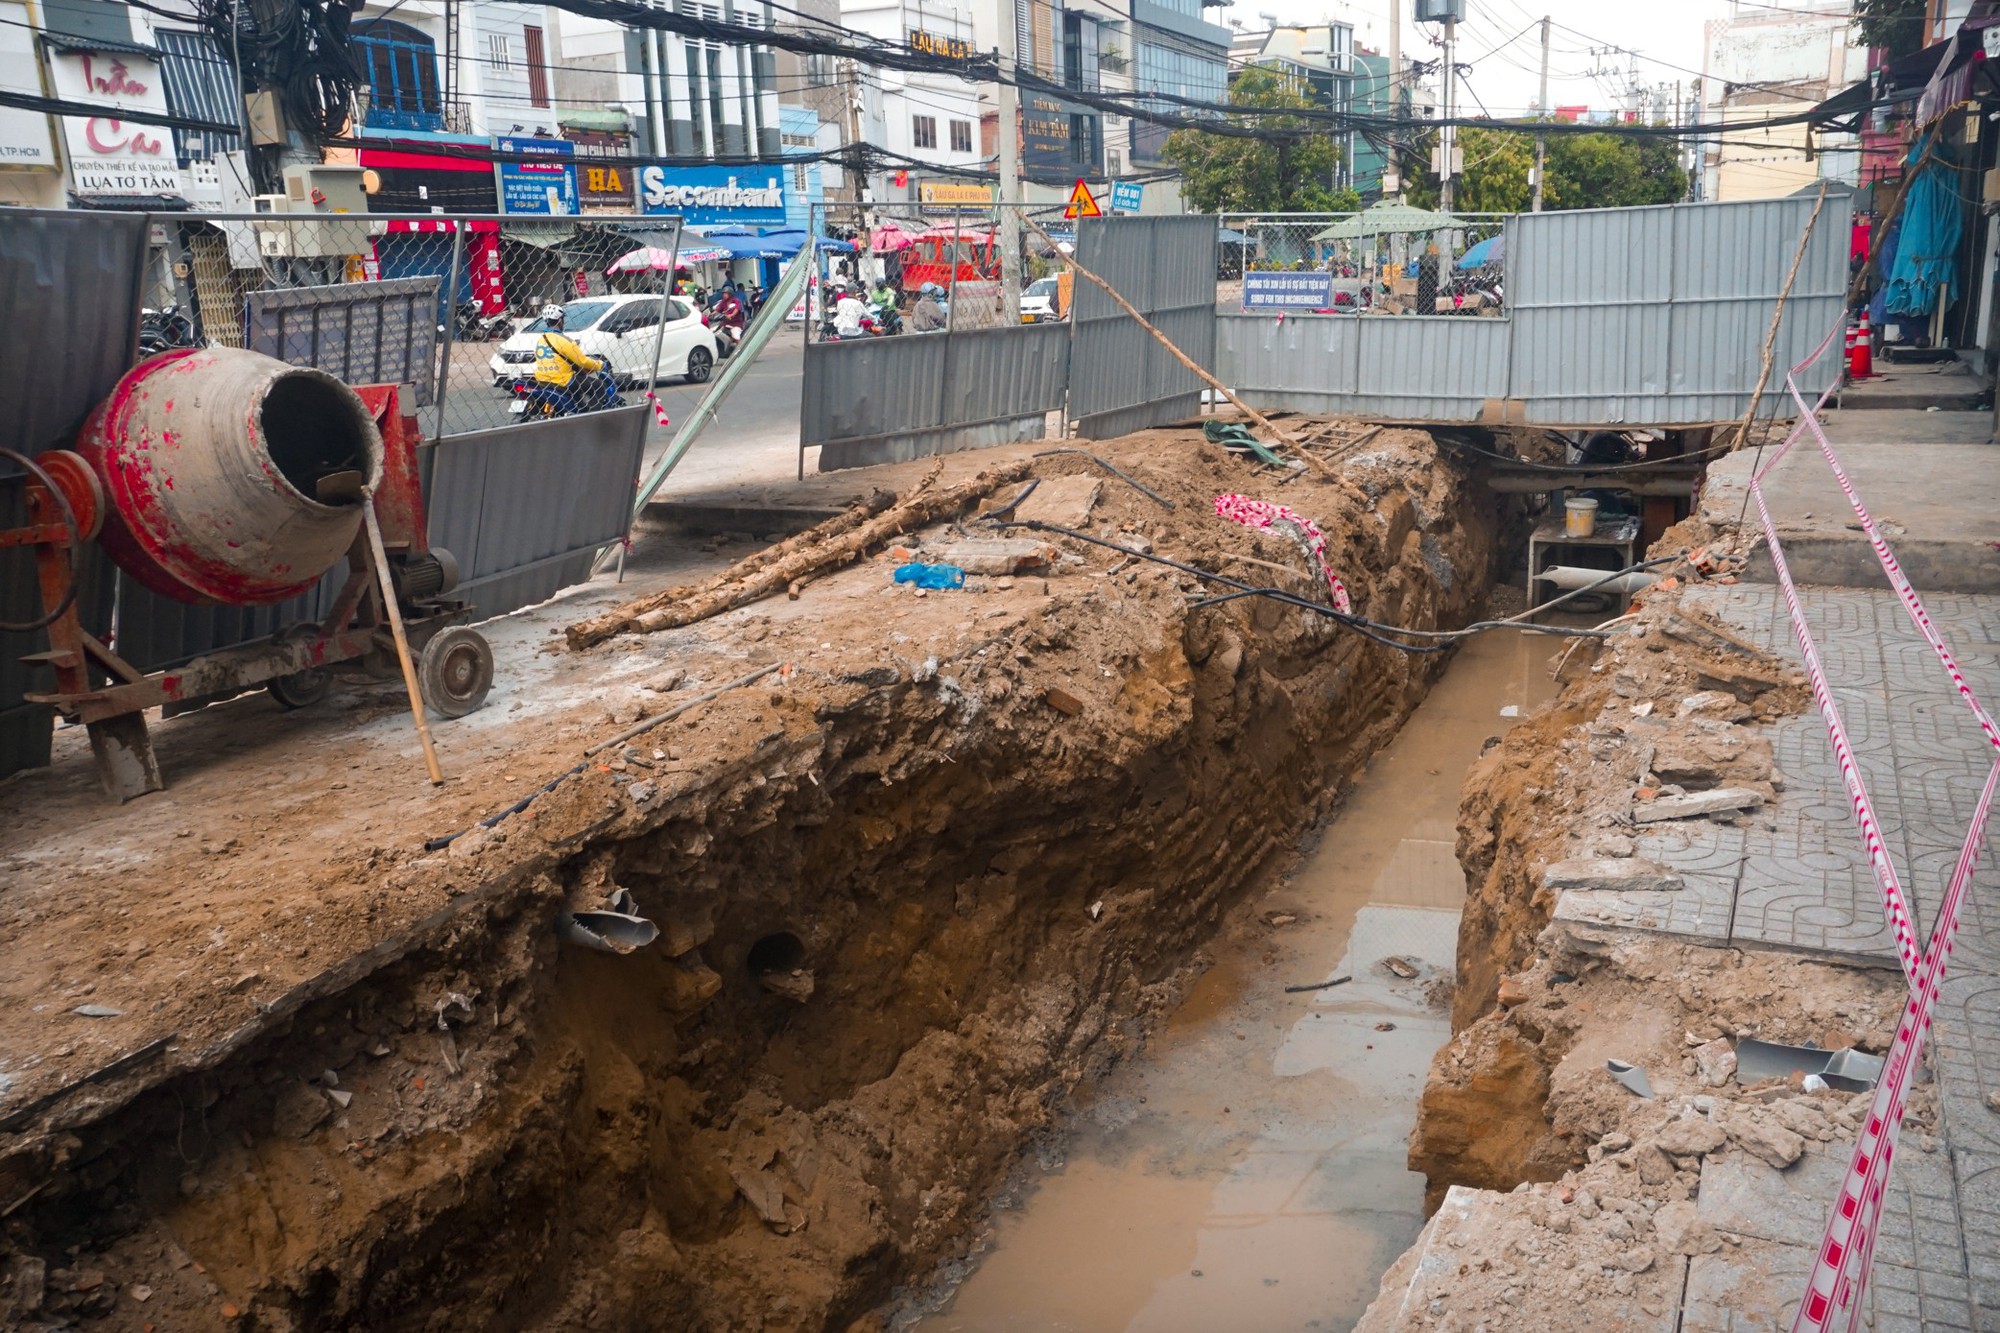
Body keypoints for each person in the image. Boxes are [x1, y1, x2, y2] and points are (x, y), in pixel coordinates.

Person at [533, 303, 610, 410]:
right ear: (560, 321)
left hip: (542, 379)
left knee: (580, 382)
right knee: (599, 386)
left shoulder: (541, 339)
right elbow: (582, 361)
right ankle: (592, 416)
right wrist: (600, 364)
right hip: (562, 380)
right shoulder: (564, 340)